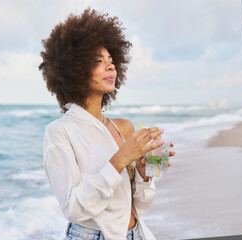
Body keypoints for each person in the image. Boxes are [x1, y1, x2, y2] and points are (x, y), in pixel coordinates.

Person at [39, 8, 175, 240]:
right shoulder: (60, 132)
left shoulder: (123, 128)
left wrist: (144, 172)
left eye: (111, 61)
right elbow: (73, 208)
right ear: (74, 69)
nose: (111, 67)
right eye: (98, 62)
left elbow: (139, 207)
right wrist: (121, 159)